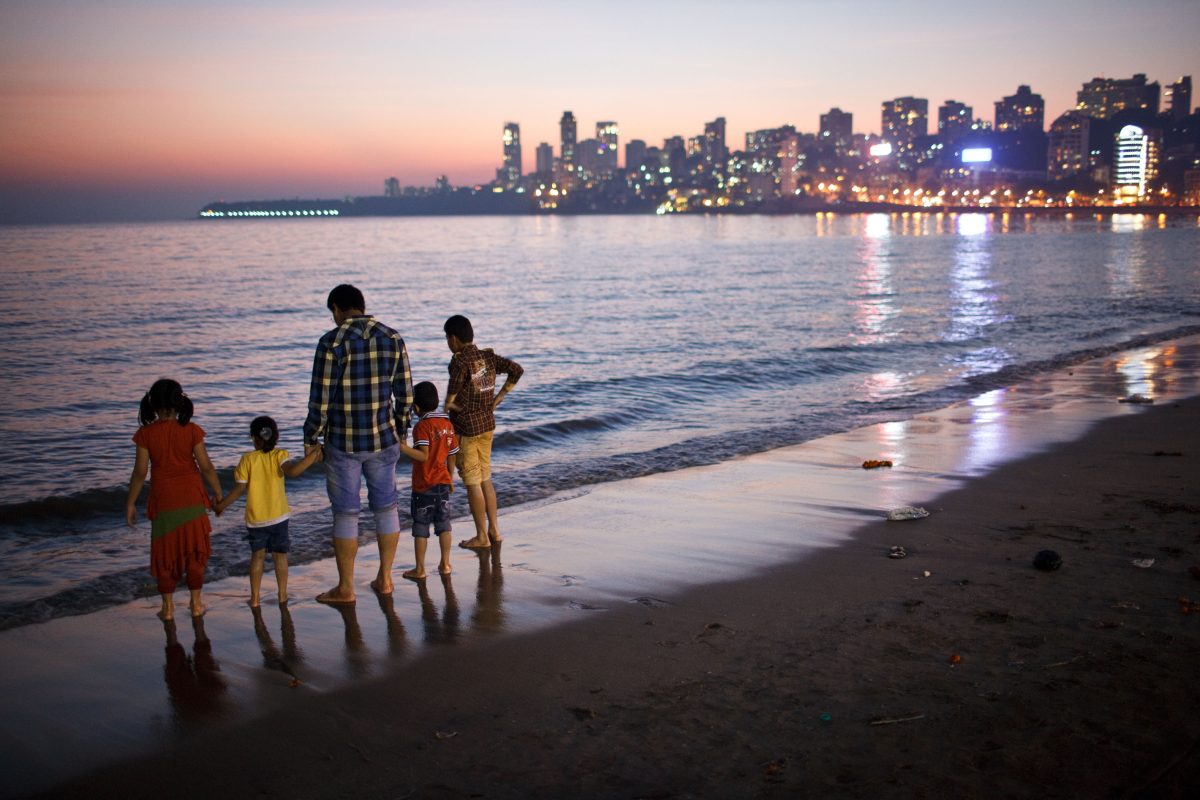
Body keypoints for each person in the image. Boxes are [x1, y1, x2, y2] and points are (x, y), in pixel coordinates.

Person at [304, 284, 413, 603]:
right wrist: (401, 431)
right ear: (361, 306)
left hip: (343, 443)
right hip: (384, 439)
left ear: (337, 308)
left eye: (333, 312)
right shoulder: (392, 337)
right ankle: (385, 579)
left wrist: (311, 438)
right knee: (386, 508)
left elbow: (320, 400)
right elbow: (405, 395)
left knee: (346, 514)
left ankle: (346, 588)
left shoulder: (331, 342)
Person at [126, 379, 223, 621]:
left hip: (164, 502)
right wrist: (218, 491)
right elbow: (206, 466)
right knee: (195, 553)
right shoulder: (192, 430)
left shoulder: (145, 434)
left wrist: (130, 503)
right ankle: (196, 604)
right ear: (180, 402)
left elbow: (140, 472)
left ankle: (168, 608)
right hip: (192, 500)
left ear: (152, 404)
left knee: (166, 555)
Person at [215, 416, 321, 607]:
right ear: (275, 436)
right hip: (278, 517)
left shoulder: (247, 460)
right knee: (280, 556)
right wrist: (311, 458)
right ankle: (282, 595)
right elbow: (293, 472)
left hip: (256, 519)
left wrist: (221, 506)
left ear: (254, 438)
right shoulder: (280, 455)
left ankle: (255, 598)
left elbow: (239, 489)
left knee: (257, 557)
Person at [443, 314, 523, 549]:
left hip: (466, 429)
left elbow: (453, 390)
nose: (448, 343)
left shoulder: (460, 362)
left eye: (447, 339)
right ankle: (494, 531)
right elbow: (516, 370)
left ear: (454, 339)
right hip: (487, 425)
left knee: (472, 482)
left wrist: (449, 404)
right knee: (485, 478)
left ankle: (481, 536)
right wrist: (501, 396)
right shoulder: (488, 357)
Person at [399, 381, 459, 581]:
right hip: (442, 483)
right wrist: (450, 478)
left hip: (424, 484)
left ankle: (420, 569)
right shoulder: (447, 425)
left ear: (416, 407)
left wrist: (402, 447)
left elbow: (423, 456)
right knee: (444, 524)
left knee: (421, 527)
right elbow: (452, 454)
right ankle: (445, 563)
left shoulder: (422, 427)